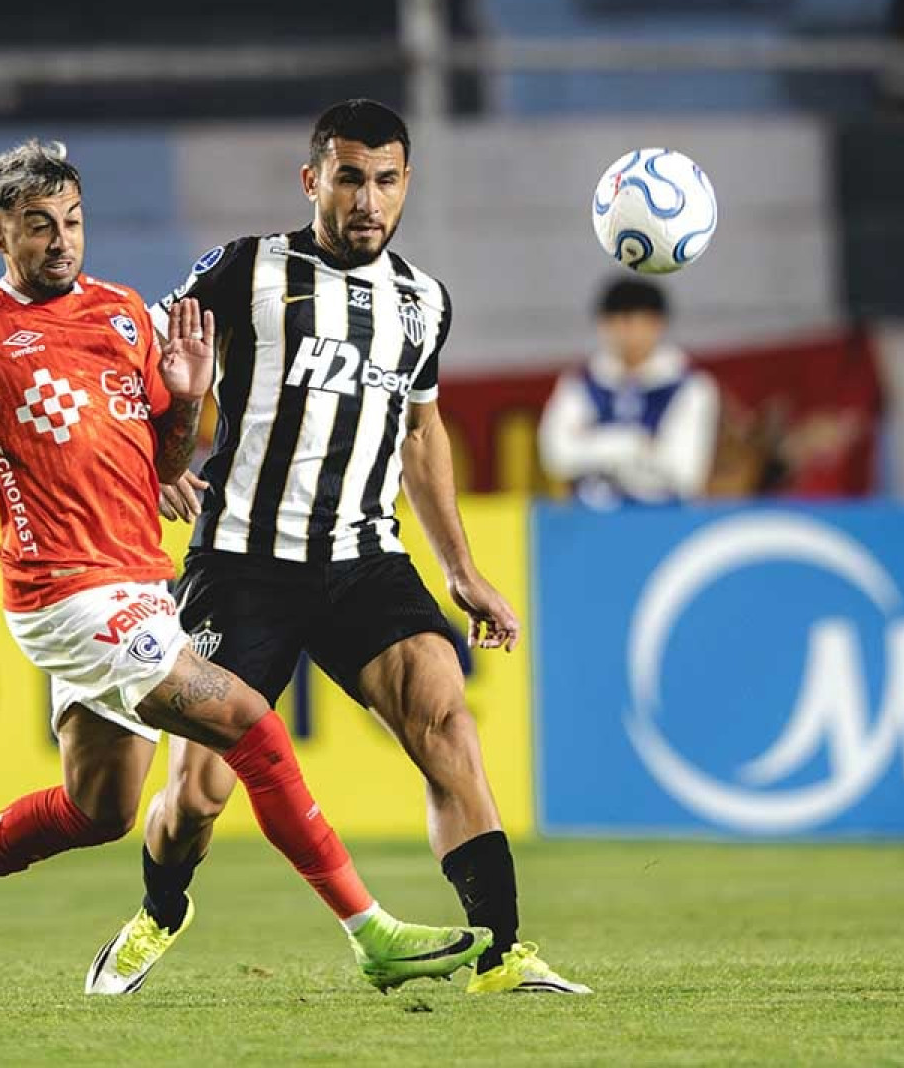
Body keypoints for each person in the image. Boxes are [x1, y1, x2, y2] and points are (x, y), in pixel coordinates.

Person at [0, 140, 488, 1003]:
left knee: (100, 809)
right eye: (38, 227)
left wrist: (186, 396)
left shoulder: (124, 314)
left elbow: (169, 456)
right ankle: (372, 934)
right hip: (66, 594)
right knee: (255, 729)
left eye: (72, 222)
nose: (61, 241)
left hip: (140, 584)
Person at [84, 100, 588, 997]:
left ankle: (501, 948)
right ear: (312, 178)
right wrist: (158, 457)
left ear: (406, 185)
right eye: (350, 177)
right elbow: (145, 369)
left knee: (446, 723)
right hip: (240, 563)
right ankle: (162, 909)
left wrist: (461, 568)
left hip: (364, 559)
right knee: (197, 796)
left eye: (387, 180)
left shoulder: (423, 301)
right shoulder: (245, 269)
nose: (368, 199)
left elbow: (421, 433)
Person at [538, 277, 719, 508]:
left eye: (631, 321)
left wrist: (592, 445)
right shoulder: (579, 383)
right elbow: (557, 456)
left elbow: (684, 472)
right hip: (590, 521)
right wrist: (635, 444)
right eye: (612, 322)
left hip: (662, 523)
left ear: (656, 324)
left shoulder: (691, 386)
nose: (622, 332)